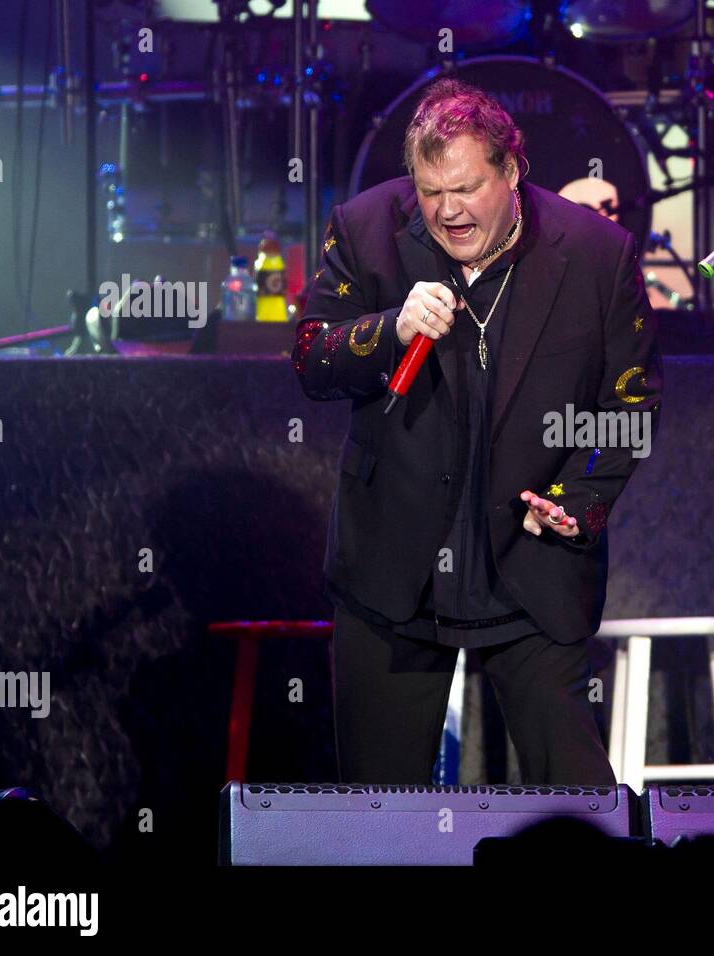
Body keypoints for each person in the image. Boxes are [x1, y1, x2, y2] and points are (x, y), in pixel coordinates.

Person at [292, 78, 662, 786]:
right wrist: (387, 331)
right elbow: (311, 358)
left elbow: (633, 400)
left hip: (529, 568)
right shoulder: (368, 227)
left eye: (465, 188)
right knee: (379, 817)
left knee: (578, 796)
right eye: (430, 191)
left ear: (512, 171)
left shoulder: (594, 252)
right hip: (396, 572)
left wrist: (580, 498)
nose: (448, 211)